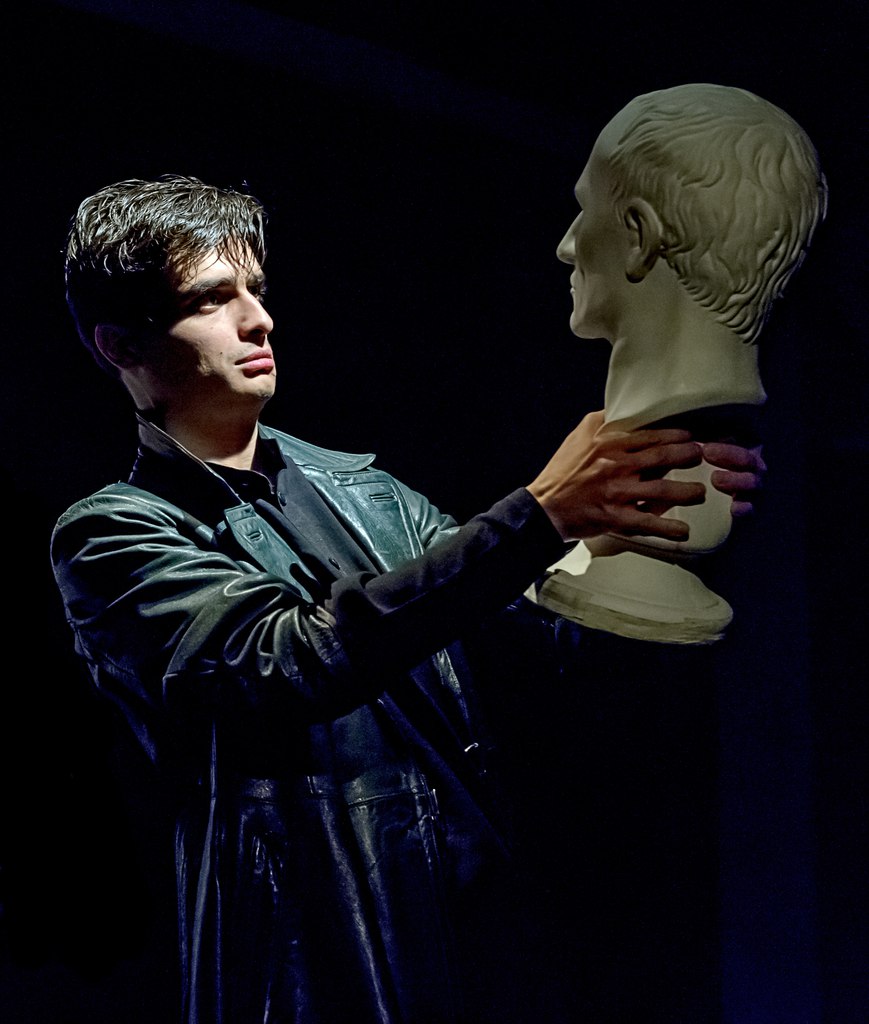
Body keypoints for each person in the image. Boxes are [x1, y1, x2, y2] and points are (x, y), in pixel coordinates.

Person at [51, 174, 764, 1024]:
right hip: (315, 966)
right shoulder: (113, 534)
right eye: (211, 299)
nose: (257, 319)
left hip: (473, 944)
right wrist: (540, 516)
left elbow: (536, 638)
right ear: (119, 346)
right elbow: (283, 662)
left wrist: (649, 526)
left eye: (256, 289)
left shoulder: (372, 497)